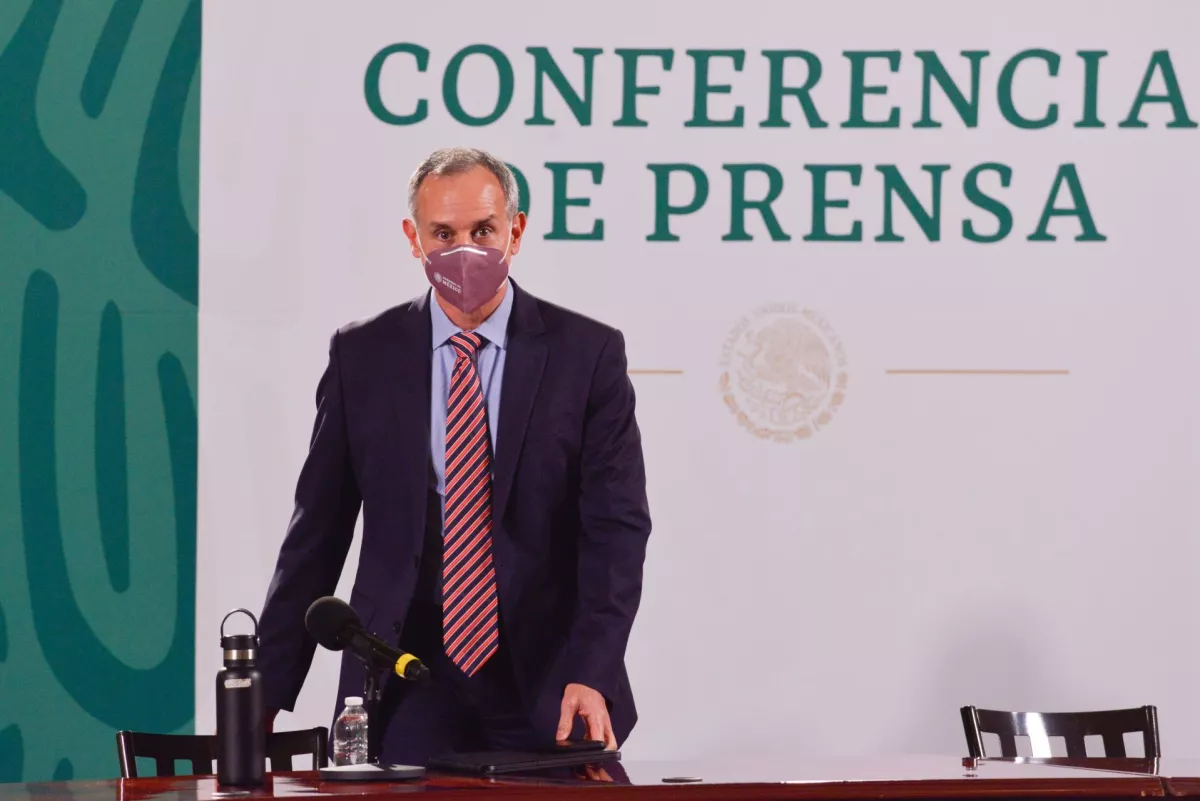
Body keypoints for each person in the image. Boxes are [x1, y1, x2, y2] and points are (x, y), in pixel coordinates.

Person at [256, 147, 652, 764]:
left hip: (551, 684)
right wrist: (266, 691)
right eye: (443, 233)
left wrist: (593, 670)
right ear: (414, 239)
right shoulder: (362, 356)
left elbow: (616, 531)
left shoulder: (587, 355)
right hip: (404, 682)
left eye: (483, 230)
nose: (463, 249)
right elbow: (316, 534)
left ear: (515, 232)